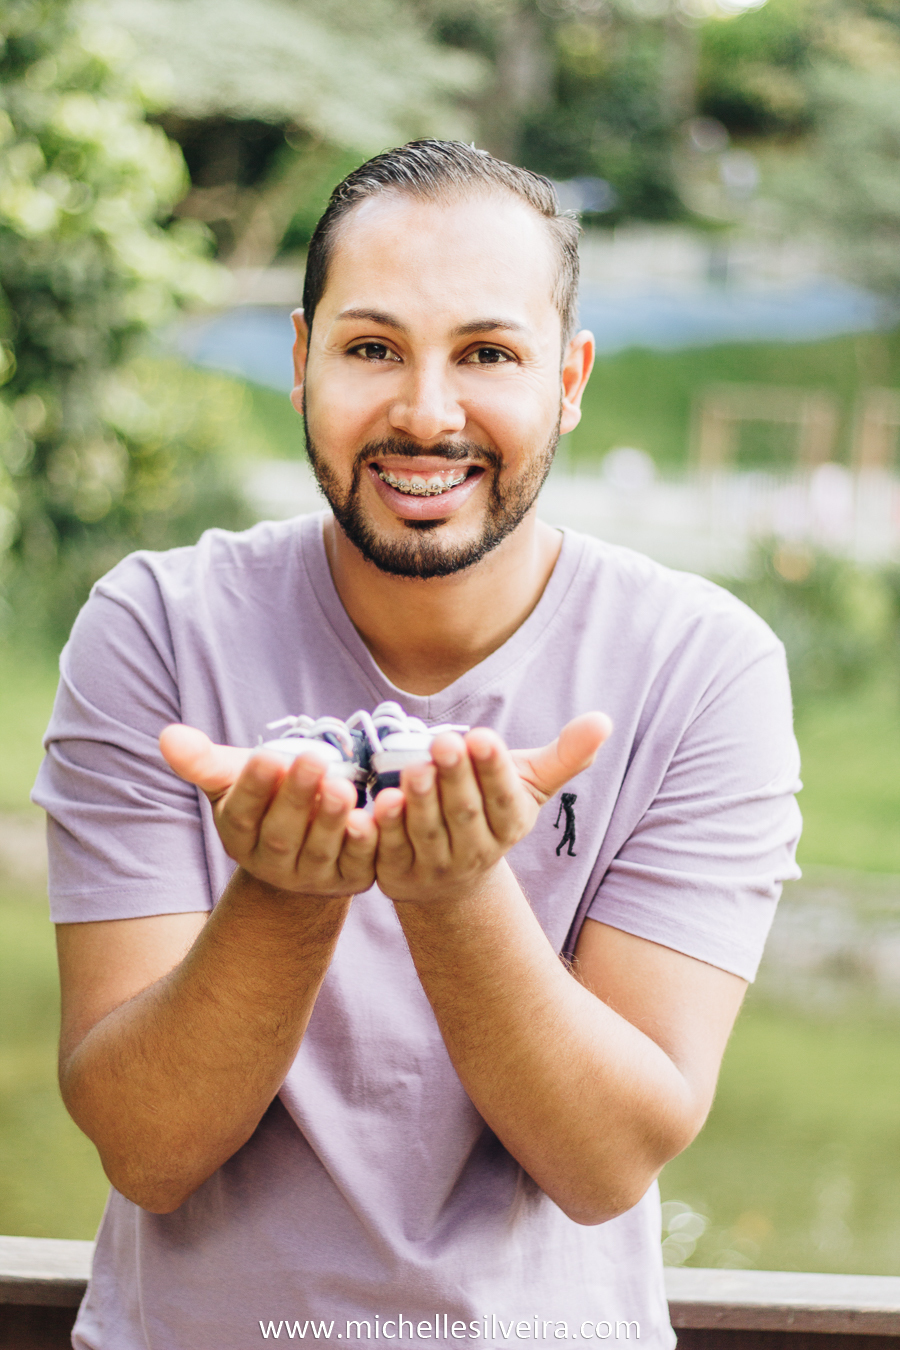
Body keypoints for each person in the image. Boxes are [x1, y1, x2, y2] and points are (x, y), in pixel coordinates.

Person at [34, 140, 801, 1350]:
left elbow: (606, 1163)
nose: (427, 414)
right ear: (302, 363)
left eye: (488, 353)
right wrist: (286, 891)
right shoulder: (156, 628)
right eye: (372, 348)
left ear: (569, 378)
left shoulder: (703, 667)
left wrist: (454, 894)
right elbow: (147, 1148)